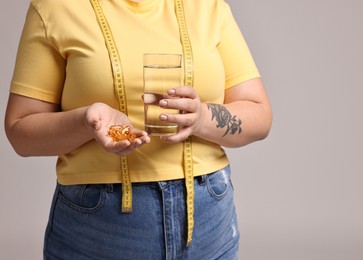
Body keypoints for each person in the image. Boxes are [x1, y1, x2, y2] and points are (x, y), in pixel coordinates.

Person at [4, 0, 272, 259]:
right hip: (100, 227)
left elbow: (260, 116)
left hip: (208, 217)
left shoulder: (207, 7)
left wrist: (202, 117)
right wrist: (85, 121)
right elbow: (20, 133)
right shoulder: (56, 7)